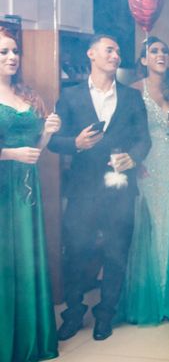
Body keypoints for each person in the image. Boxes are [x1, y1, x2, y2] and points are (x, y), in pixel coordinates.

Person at [49, 35, 151, 341]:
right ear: (91, 54)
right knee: (76, 253)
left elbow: (144, 139)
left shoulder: (132, 98)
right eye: (110, 50)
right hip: (82, 190)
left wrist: (131, 158)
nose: (116, 55)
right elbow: (54, 141)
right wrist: (75, 144)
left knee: (116, 253)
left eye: (119, 51)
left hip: (120, 189)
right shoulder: (70, 96)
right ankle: (74, 312)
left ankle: (106, 313)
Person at [119, 37, 169, 324]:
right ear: (143, 60)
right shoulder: (132, 91)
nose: (161, 54)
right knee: (149, 224)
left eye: (165, 50)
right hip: (145, 163)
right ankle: (150, 296)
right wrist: (134, 161)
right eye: (154, 51)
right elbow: (126, 132)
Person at [0, 27, 60, 361]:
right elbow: (16, 151)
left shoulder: (26, 96)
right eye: (3, 52)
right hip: (2, 187)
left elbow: (35, 151)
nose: (11, 57)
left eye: (14, 52)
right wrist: (10, 155)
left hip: (26, 187)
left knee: (27, 259)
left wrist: (47, 135)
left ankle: (27, 338)